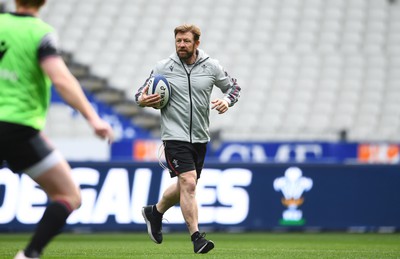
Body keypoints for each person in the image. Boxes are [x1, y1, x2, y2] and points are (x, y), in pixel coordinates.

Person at [0, 1, 114, 258]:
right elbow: (60, 78)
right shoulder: (40, 33)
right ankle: (30, 254)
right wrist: (93, 119)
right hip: (17, 127)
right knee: (68, 195)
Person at [135, 24, 241, 254]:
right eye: (178, 41)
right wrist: (145, 101)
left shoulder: (211, 66)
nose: (181, 45)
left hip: (201, 137)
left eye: (186, 41)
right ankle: (196, 237)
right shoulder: (163, 67)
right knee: (189, 183)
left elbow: (234, 88)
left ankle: (155, 212)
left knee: (186, 184)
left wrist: (227, 101)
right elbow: (139, 95)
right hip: (174, 136)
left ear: (197, 43)